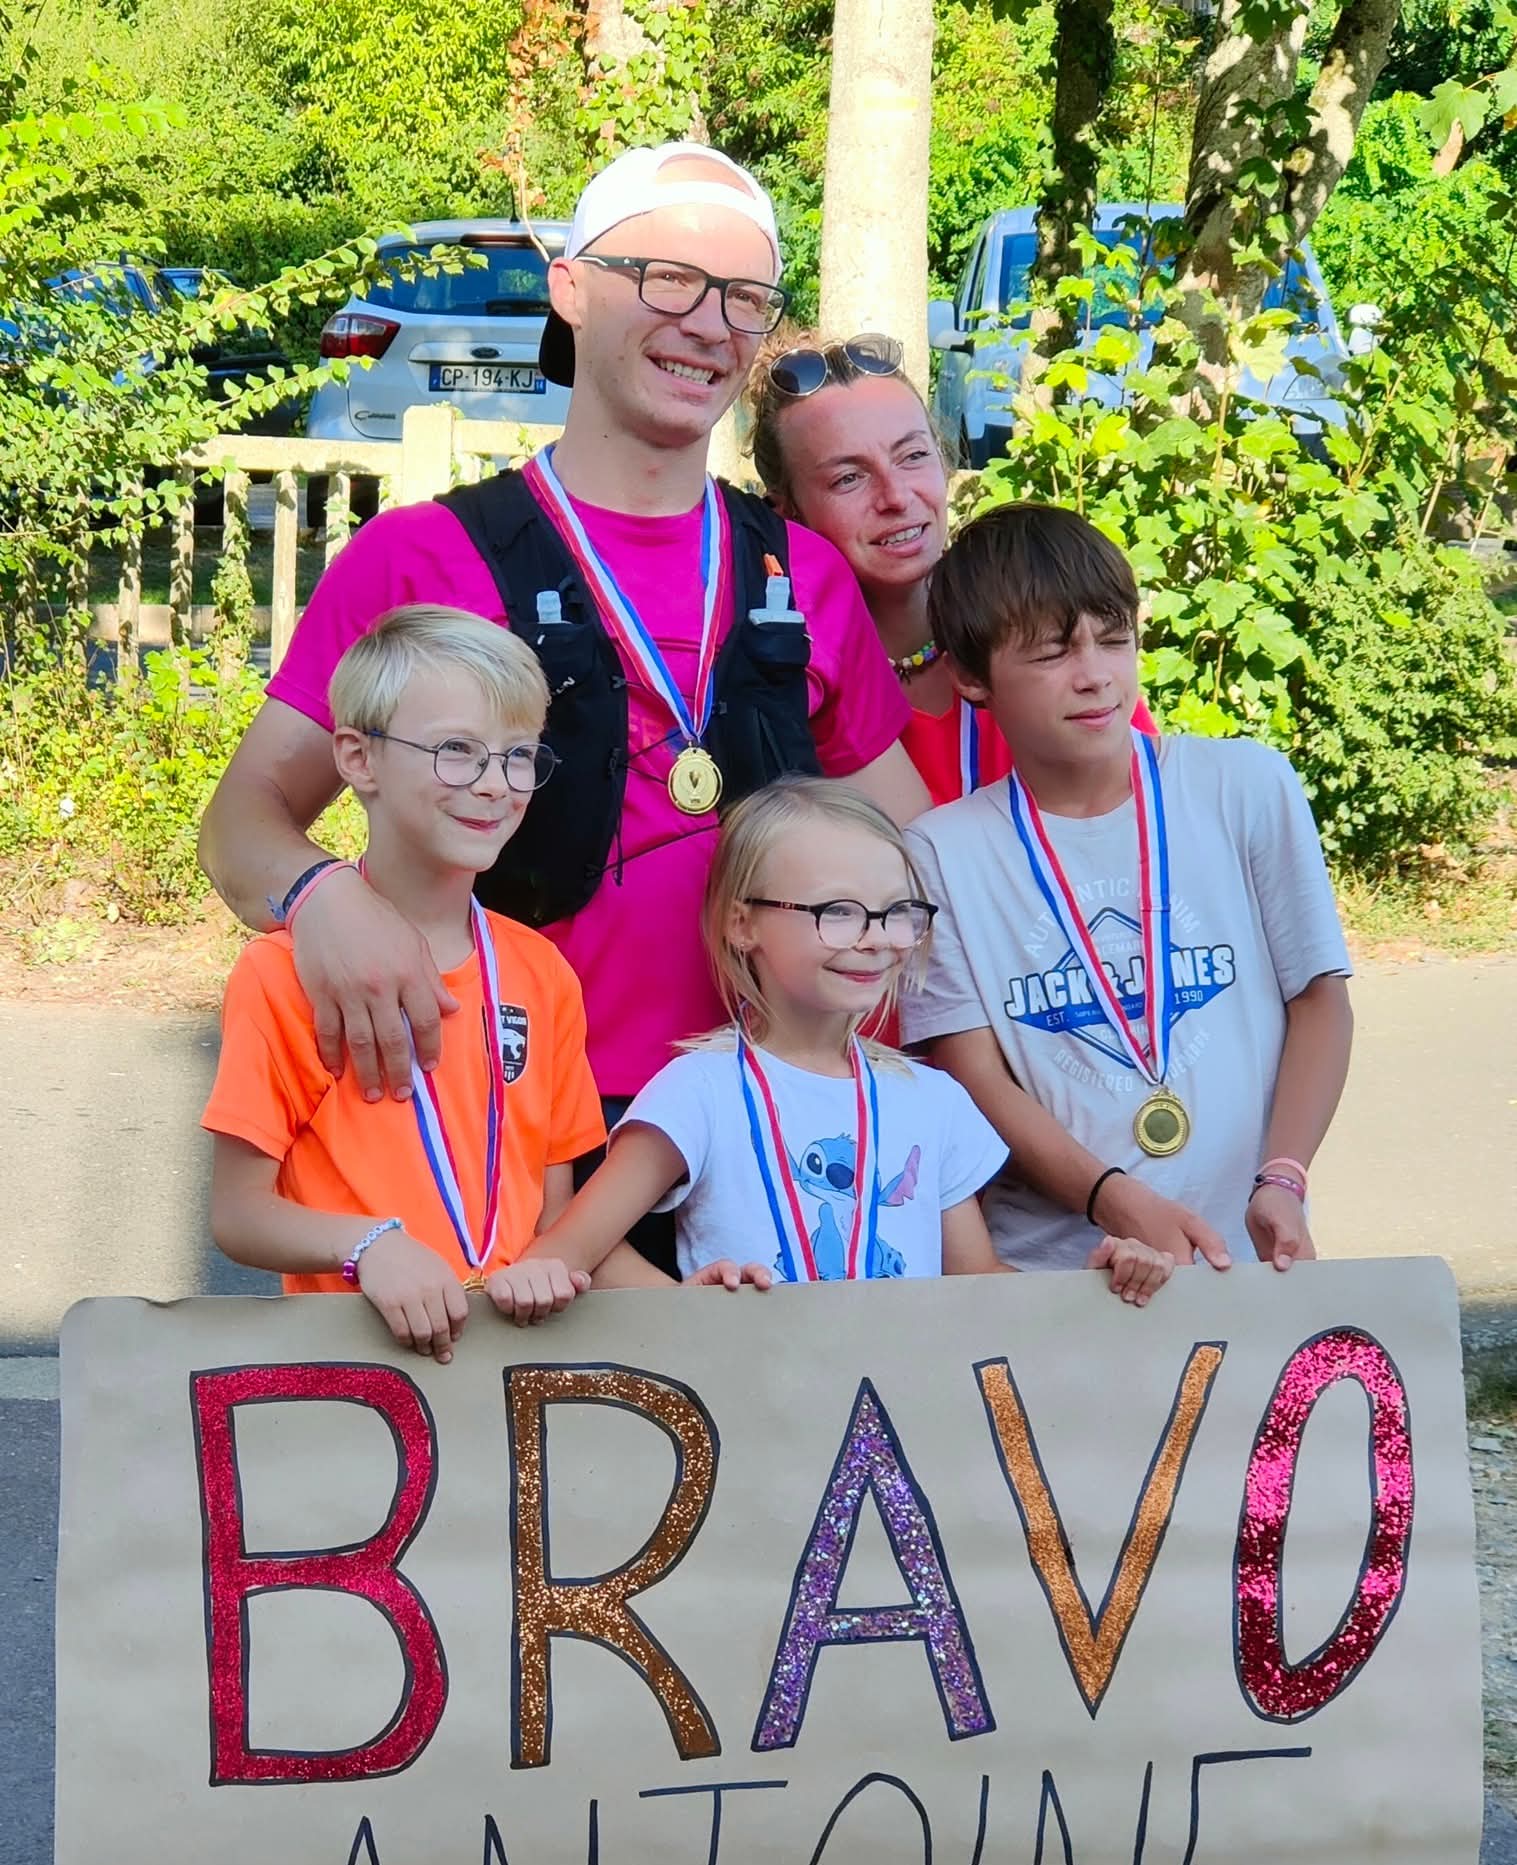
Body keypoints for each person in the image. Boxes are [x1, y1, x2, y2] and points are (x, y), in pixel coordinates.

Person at [198, 144, 928, 1137]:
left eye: (743, 298)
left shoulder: (800, 574)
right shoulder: (418, 557)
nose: (708, 324)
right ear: (571, 289)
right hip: (504, 1130)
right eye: (669, 280)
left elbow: (921, 857)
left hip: (768, 1134)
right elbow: (240, 825)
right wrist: (323, 897)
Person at [899, 502, 1354, 1274]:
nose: (1094, 676)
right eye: (1051, 653)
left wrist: (1283, 1177)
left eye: (1113, 640)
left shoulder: (1243, 786)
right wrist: (1109, 1198)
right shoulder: (939, 851)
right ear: (972, 677)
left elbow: (1317, 998)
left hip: (1245, 1256)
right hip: (1057, 1273)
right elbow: (971, 1070)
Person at [523, 778, 1174, 1304]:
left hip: (904, 1414)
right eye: (837, 912)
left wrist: (1095, 1288)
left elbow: (976, 1286)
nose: (875, 938)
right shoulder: (698, 1090)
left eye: (896, 912)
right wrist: (686, 1310)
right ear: (742, 924)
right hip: (756, 1411)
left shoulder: (934, 1099)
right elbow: (573, 1249)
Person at [202, 606, 619, 1362]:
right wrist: (369, 1247)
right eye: (457, 751)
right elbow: (238, 1215)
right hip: (358, 1377)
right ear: (358, 759)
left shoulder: (541, 973)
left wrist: (685, 1294)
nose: (495, 785)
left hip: (507, 1371)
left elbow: (549, 1215)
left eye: (518, 756)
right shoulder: (281, 973)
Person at [745, 329, 1157, 807]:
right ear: (785, 514)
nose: (897, 497)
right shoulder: (784, 674)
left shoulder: (1045, 620)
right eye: (849, 478)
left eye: (913, 456)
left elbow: (1150, 807)